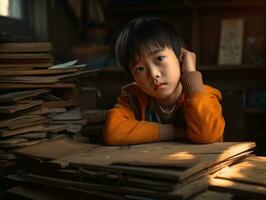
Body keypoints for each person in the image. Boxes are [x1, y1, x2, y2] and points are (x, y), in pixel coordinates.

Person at [103, 17, 225, 145]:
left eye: (160, 59)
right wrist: (175, 132)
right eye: (140, 69)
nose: (153, 74)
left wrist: (190, 73)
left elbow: (207, 135)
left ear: (180, 57)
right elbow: (113, 132)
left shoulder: (202, 94)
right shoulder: (133, 99)